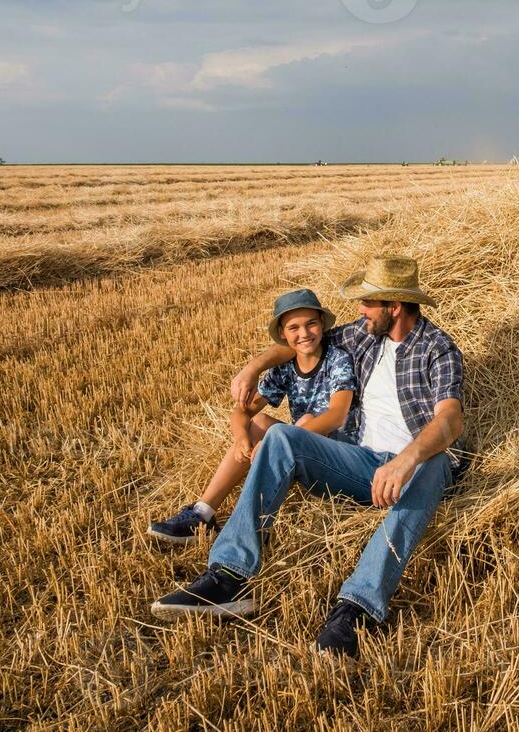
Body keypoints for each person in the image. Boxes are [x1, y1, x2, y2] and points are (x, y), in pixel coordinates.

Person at [150, 254, 466, 659]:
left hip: (416, 466)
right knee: (281, 435)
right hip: (360, 462)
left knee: (436, 461)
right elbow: (299, 344)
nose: (360, 311)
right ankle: (228, 576)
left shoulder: (437, 348)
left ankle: (356, 608)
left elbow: (450, 421)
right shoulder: (363, 335)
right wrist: (254, 366)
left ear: (394, 306)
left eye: (368, 303)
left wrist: (405, 459)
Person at [146, 289, 359, 545]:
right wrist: (241, 438)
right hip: (301, 448)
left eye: (311, 323)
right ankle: (203, 513)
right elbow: (242, 411)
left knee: (302, 422)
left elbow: (337, 415)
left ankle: (251, 529)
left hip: (339, 457)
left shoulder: (337, 360)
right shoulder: (285, 368)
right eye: (294, 328)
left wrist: (283, 441)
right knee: (257, 423)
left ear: (322, 324)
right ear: (282, 334)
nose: (304, 334)